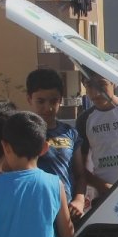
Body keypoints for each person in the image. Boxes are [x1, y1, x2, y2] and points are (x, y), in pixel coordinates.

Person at [25, 68, 87, 221]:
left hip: (66, 212)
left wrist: (79, 200)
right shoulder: (20, 132)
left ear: (61, 100)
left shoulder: (70, 133)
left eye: (53, 101)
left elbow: (80, 174)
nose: (48, 107)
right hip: (31, 211)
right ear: (29, 99)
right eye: (41, 101)